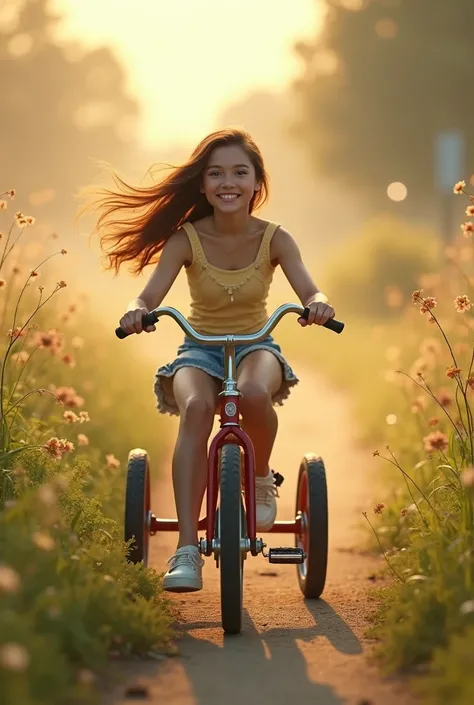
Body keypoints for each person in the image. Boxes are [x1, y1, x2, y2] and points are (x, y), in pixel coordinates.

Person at [86, 128, 335, 593]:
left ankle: (261, 479)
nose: (228, 182)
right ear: (202, 185)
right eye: (216, 173)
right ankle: (185, 550)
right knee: (197, 409)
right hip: (198, 347)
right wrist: (138, 309)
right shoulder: (186, 240)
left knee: (257, 393)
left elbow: (308, 286)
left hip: (257, 344)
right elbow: (150, 291)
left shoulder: (276, 238)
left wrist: (319, 303)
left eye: (240, 172)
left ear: (257, 182)